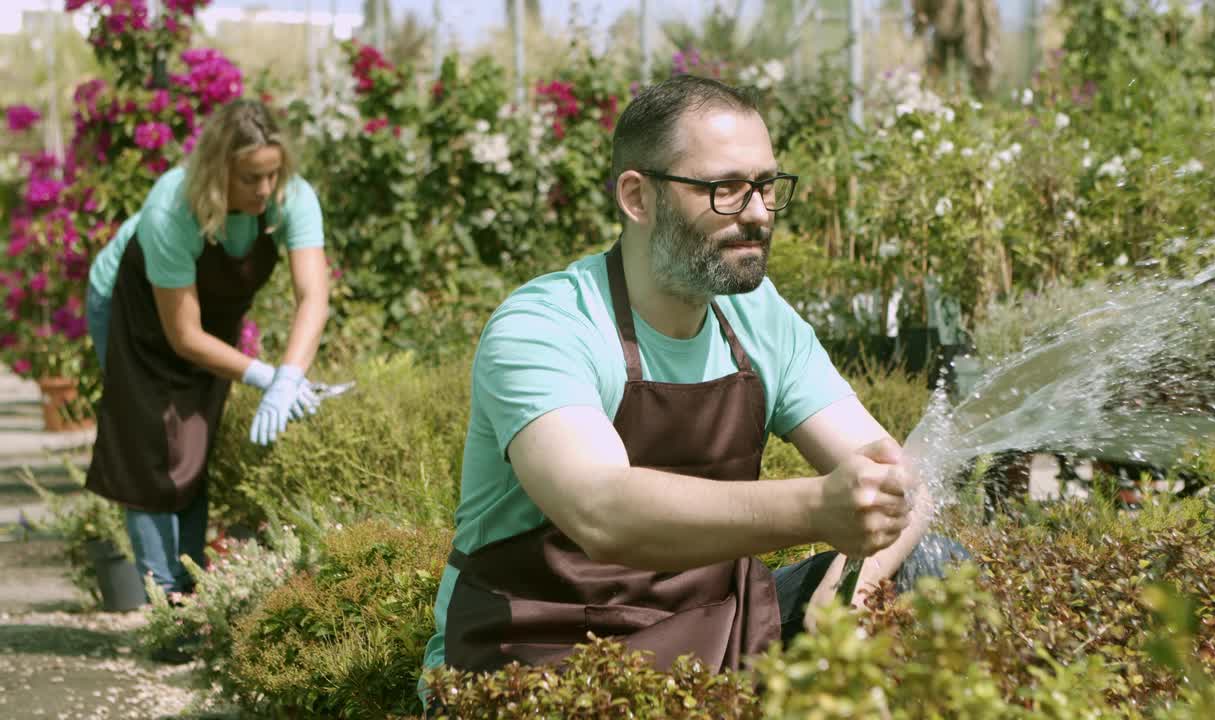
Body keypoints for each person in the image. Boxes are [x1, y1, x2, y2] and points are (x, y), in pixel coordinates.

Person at [419, 75, 966, 710]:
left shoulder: (759, 317)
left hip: (714, 645)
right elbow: (601, 511)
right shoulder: (545, 326)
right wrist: (819, 509)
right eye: (726, 189)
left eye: (765, 186)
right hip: (534, 658)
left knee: (931, 566)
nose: (759, 212)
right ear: (637, 197)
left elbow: (900, 477)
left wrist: (851, 586)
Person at [83, 98, 330, 598]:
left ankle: (191, 597)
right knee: (150, 439)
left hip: (205, 315)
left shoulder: (292, 197)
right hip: (130, 303)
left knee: (194, 434)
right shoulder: (173, 209)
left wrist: (289, 374)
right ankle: (164, 600)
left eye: (272, 175)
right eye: (249, 178)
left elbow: (314, 296)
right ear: (219, 172)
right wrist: (261, 374)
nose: (264, 189)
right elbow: (183, 337)